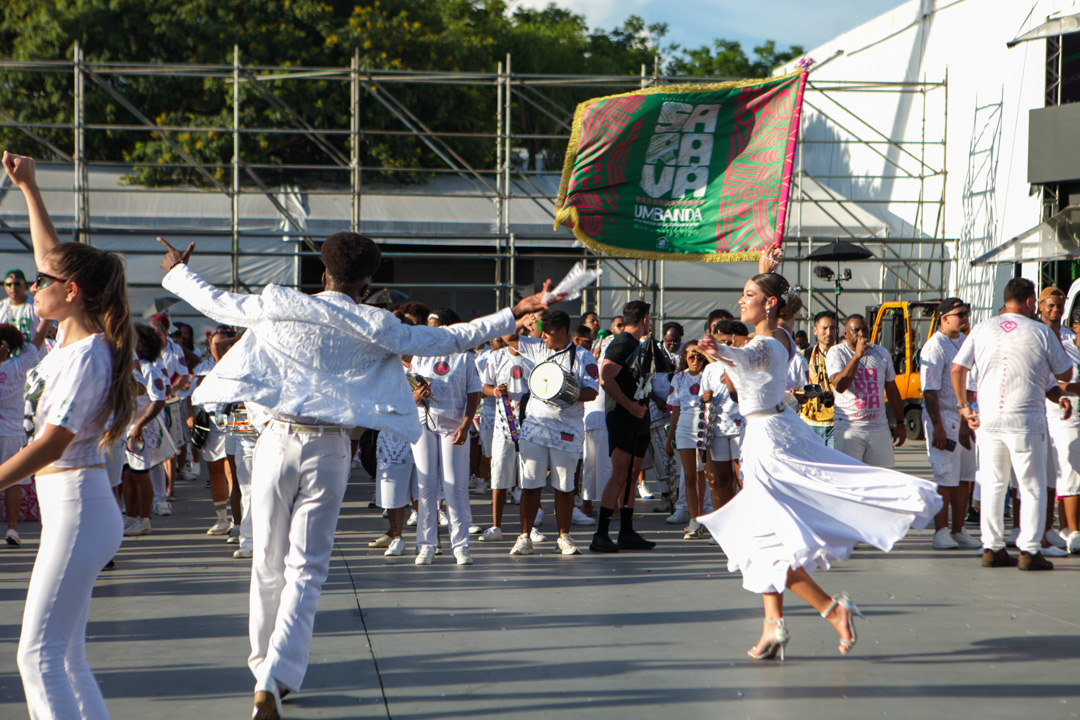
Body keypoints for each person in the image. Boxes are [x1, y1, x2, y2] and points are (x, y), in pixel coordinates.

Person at [157, 231, 555, 719]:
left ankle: (264, 672)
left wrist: (176, 268)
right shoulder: (379, 324)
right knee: (306, 569)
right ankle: (273, 676)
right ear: (366, 283)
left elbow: (214, 301)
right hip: (328, 450)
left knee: (267, 562)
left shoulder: (278, 304)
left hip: (274, 442)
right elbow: (454, 337)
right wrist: (515, 312)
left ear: (323, 275)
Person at [698, 249, 940, 662]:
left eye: (748, 294)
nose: (741, 300)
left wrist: (718, 351)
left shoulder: (769, 345)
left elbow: (748, 356)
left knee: (762, 537)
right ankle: (776, 623)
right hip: (765, 435)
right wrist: (765, 272)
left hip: (771, 444)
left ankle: (829, 609)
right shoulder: (780, 335)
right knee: (762, 538)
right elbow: (756, 336)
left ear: (768, 303)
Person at [1, 150, 137, 719]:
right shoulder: (70, 340)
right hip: (74, 508)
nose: (32, 286)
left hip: (78, 506)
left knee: (36, 656)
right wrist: (30, 189)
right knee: (66, 657)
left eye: (41, 283)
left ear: (72, 291)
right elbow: (49, 258)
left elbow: (52, 444)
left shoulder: (85, 355)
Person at [951, 277, 1073, 571]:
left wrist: (964, 407)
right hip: (1025, 420)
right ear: (1031, 302)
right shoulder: (1041, 331)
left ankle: (992, 548)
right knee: (1030, 486)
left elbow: (957, 369)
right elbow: (1066, 374)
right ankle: (1030, 551)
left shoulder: (982, 328)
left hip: (989, 419)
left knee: (994, 484)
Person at [504, 309, 599, 555]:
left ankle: (564, 537)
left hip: (567, 430)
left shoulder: (584, 356)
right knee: (531, 483)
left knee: (565, 485)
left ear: (564, 331)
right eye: (542, 330)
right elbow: (507, 337)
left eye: (550, 331)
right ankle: (524, 537)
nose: (544, 334)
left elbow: (592, 392)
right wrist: (521, 320)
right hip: (535, 427)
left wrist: (565, 391)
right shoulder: (539, 347)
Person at [591, 300, 665, 553]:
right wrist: (629, 405)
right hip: (623, 416)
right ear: (645, 318)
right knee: (620, 473)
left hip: (638, 416)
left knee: (632, 475)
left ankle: (626, 531)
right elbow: (606, 378)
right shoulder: (621, 342)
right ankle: (600, 534)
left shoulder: (637, 344)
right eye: (650, 318)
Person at [410, 310, 483, 566]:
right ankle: (426, 546)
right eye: (430, 325)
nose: (432, 329)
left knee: (455, 487)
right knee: (426, 487)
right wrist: (418, 396)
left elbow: (474, 392)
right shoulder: (420, 355)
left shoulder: (463, 355)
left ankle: (461, 546)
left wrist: (465, 424)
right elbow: (411, 391)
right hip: (423, 424)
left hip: (454, 427)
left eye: (436, 325)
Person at [919, 298, 980, 550]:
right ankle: (941, 531)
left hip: (964, 417)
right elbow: (929, 391)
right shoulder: (934, 346)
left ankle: (959, 529)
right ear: (945, 318)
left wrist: (970, 417)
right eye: (959, 314)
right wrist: (938, 427)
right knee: (945, 477)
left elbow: (972, 386)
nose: (965, 317)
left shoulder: (965, 342)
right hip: (943, 417)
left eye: (967, 312)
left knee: (965, 477)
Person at [827, 314, 906, 466]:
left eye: (865, 330)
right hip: (849, 427)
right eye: (856, 330)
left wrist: (900, 422)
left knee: (884, 477)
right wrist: (857, 356)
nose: (862, 334)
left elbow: (892, 389)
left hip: (878, 427)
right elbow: (840, 385)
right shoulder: (837, 353)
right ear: (845, 333)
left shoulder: (881, 353)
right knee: (850, 479)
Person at [477, 332, 532, 542]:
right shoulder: (496, 357)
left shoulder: (533, 355)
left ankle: (529, 528)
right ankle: (496, 526)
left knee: (530, 478)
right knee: (499, 475)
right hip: (503, 425)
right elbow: (484, 386)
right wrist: (496, 392)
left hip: (530, 426)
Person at [0, 321, 46, 546]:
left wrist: (46, 319)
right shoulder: (19, 366)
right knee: (12, 480)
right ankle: (13, 528)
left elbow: (37, 342)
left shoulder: (18, 366)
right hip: (12, 433)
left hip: (10, 433)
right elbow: (36, 342)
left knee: (12, 481)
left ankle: (13, 529)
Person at [666, 341, 713, 539]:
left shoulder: (709, 375)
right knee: (690, 475)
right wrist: (670, 438)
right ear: (685, 358)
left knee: (705, 475)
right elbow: (675, 410)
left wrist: (706, 353)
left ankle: (705, 518)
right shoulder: (678, 378)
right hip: (684, 426)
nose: (696, 360)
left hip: (705, 425)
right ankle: (694, 518)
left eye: (699, 356)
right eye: (691, 356)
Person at [800, 310, 838, 446]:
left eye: (833, 328)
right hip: (811, 421)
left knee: (835, 465)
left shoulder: (844, 355)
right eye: (824, 328)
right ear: (815, 330)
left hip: (838, 421)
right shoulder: (803, 356)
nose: (829, 332)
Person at [0, 269, 40, 343]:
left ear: (25, 285)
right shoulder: (1, 307)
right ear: (5, 287)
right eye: (9, 284)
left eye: (17, 284)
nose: (13, 288)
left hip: (34, 353)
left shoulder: (36, 304)